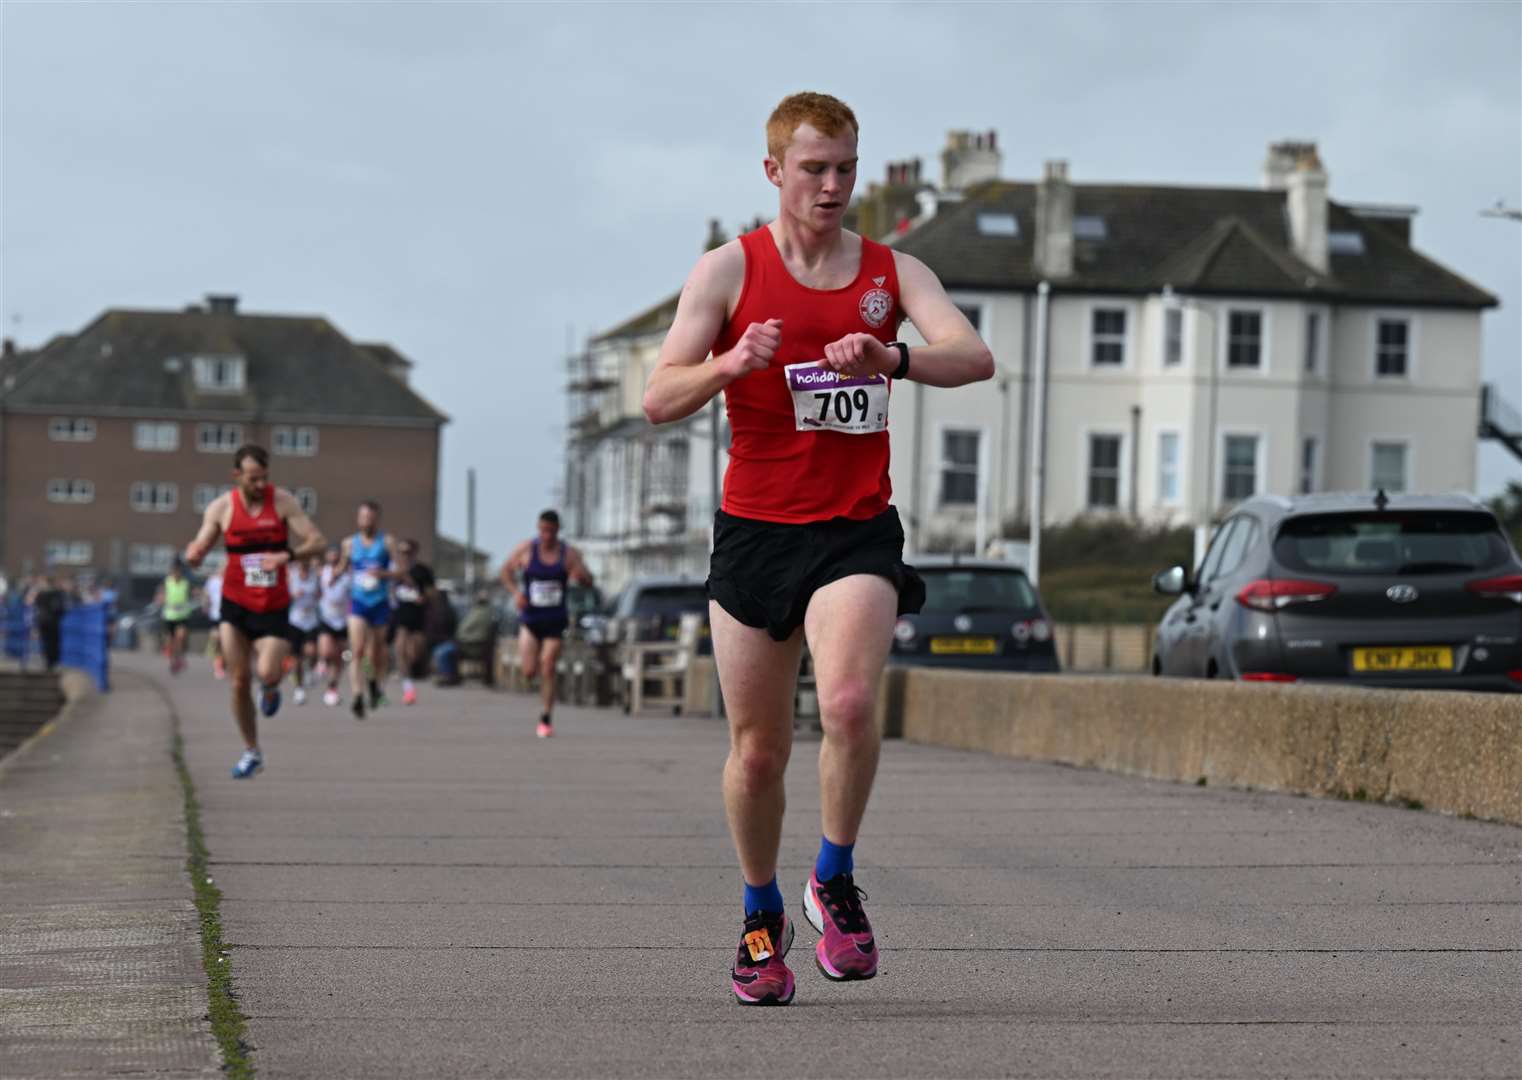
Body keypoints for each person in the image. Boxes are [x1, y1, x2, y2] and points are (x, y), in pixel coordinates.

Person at [642, 92, 993, 1005]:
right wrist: (730, 363)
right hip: (756, 532)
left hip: (854, 529)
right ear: (774, 173)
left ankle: (832, 877)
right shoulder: (726, 272)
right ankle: (761, 914)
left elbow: (971, 353)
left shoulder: (891, 271)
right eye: (814, 169)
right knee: (758, 753)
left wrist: (895, 360)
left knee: (844, 700)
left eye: (845, 168)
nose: (833, 185)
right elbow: (657, 396)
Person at [185, 443, 326, 779]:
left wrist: (286, 556)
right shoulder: (221, 508)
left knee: (267, 672)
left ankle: (273, 686)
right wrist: (196, 552)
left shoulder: (283, 502)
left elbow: (318, 542)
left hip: (273, 605)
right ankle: (252, 751)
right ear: (237, 476)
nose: (261, 485)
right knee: (238, 681)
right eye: (253, 479)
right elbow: (201, 542)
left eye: (264, 478)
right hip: (235, 603)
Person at [499, 509, 593, 737]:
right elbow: (505, 571)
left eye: (551, 531)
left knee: (548, 664)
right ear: (538, 529)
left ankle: (546, 716)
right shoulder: (526, 549)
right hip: (531, 619)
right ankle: (538, 687)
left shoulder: (568, 554)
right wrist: (516, 594)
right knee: (530, 671)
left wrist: (582, 577)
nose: (546, 535)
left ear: (557, 530)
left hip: (555, 620)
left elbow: (589, 580)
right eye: (543, 530)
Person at [335, 500, 400, 720]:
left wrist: (382, 574)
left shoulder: (387, 542)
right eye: (363, 517)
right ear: (358, 518)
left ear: (377, 519)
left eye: (370, 518)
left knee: (378, 651)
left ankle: (374, 683)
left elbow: (400, 570)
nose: (366, 522)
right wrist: (335, 574)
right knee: (358, 649)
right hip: (358, 601)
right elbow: (342, 566)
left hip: (380, 601)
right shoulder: (349, 544)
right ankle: (357, 696)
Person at [387, 538, 436, 706]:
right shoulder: (394, 571)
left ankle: (418, 672)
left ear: (414, 552)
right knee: (400, 649)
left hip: (418, 617)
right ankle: (408, 688)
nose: (404, 555)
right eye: (401, 552)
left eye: (407, 552)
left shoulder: (422, 570)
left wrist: (425, 597)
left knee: (413, 654)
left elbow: (432, 592)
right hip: (400, 616)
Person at [316, 547, 350, 707]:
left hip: (342, 620)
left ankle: (332, 688)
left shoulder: (349, 575)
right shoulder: (324, 572)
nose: (334, 557)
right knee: (327, 650)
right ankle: (321, 662)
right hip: (327, 618)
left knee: (339, 657)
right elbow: (326, 584)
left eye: (337, 555)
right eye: (331, 554)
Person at [286, 555, 321, 705]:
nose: (304, 565)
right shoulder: (292, 575)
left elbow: (322, 593)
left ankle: (310, 670)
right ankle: (299, 689)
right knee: (296, 659)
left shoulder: (315, 576)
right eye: (301, 562)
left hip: (311, 620)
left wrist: (317, 596)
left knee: (312, 651)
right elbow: (284, 594)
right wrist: (293, 595)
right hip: (295, 621)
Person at [156, 561, 196, 675]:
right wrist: (160, 599)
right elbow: (160, 595)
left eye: (178, 571)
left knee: (181, 637)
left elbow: (194, 592)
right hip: (169, 616)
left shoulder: (186, 583)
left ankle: (180, 657)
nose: (176, 574)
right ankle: (172, 660)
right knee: (170, 640)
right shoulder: (166, 582)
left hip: (183, 615)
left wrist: (201, 595)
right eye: (174, 571)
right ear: (171, 572)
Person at [28, 575, 67, 672]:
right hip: (54, 621)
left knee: (45, 641)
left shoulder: (41, 594)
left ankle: (47, 662)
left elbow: (31, 602)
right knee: (54, 642)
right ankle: (52, 662)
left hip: (43, 620)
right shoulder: (58, 593)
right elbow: (62, 608)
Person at [203, 571, 225, 679]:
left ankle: (221, 664)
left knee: (224, 641)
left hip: (228, 616)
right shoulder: (212, 580)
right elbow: (206, 593)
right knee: (217, 638)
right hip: (215, 615)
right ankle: (218, 665)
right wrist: (205, 605)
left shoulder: (232, 579)